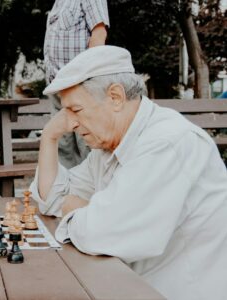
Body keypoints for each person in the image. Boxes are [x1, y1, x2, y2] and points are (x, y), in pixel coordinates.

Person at [29, 46, 227, 300]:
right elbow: (52, 199)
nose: (71, 123)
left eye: (76, 110)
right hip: (128, 283)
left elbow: (100, 233)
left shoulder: (166, 143)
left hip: (172, 291)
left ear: (115, 97)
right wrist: (49, 137)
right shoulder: (108, 147)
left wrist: (85, 212)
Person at [43, 0, 109, 168]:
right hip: (57, 85)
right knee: (63, 147)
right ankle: (66, 192)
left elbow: (99, 34)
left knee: (87, 145)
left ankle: (91, 192)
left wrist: (88, 77)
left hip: (80, 85)